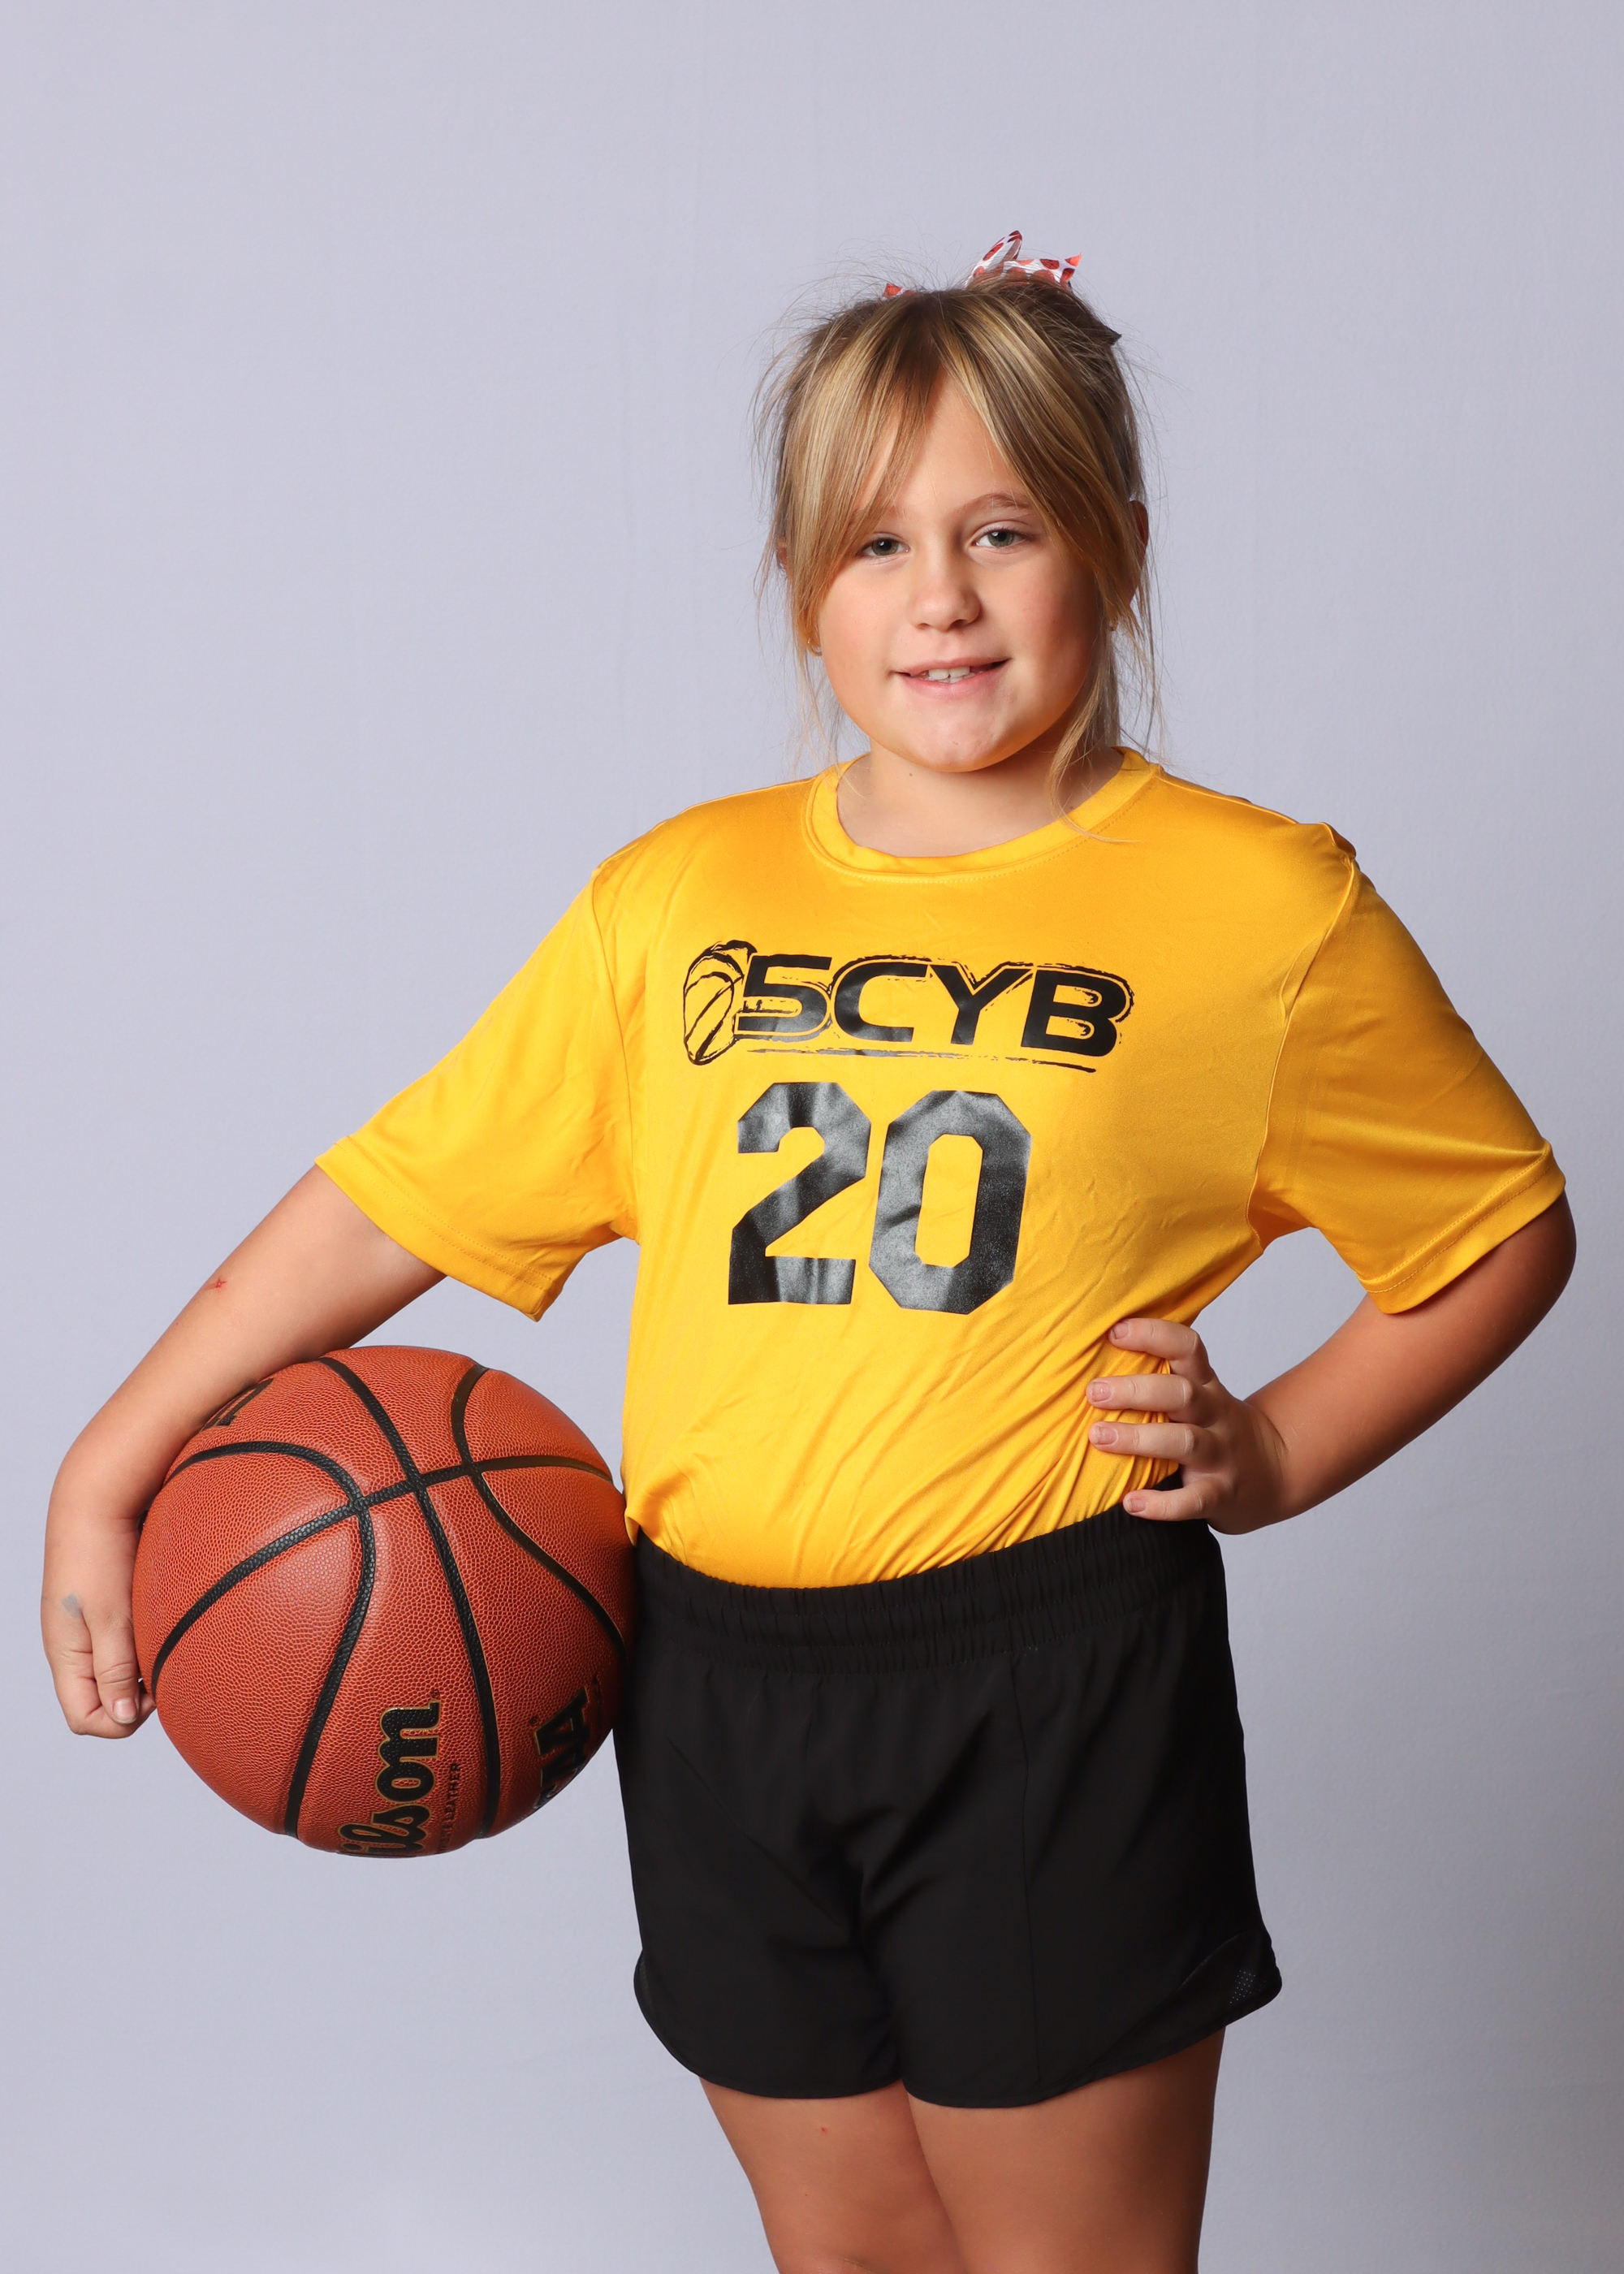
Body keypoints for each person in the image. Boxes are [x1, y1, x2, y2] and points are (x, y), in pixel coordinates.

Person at [42, 231, 1574, 2274]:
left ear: (1114, 545)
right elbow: (393, 1194)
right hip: (705, 1675)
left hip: (1042, 1674)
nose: (937, 595)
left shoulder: (1256, 907)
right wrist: (112, 1458)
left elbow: (1495, 1229)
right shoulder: (677, 896)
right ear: (800, 587)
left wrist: (1277, 1448)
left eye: (1000, 528)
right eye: (874, 543)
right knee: (846, 2250)